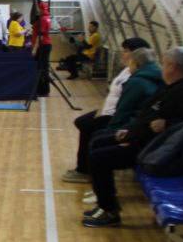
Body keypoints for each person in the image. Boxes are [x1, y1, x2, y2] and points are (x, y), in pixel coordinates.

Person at [83, 47, 183, 227]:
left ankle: (109, 211)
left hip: (155, 150)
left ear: (172, 67)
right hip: (145, 140)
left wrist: (167, 124)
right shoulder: (171, 88)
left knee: (99, 157)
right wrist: (130, 132)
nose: (161, 68)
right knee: (99, 142)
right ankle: (105, 204)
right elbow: (147, 116)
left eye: (164, 64)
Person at [63, 37, 151, 183]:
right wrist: (101, 109)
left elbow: (127, 105)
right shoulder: (126, 70)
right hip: (107, 111)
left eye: (126, 51)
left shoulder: (136, 77)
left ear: (136, 54)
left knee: (88, 127)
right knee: (82, 122)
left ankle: (85, 170)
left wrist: (115, 122)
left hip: (115, 116)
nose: (123, 54)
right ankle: (87, 166)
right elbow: (113, 93)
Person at [32, 0, 53, 94]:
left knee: (41, 68)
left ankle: (43, 89)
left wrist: (34, 49)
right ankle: (44, 89)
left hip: (43, 45)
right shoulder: (47, 17)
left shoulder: (43, 19)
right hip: (46, 44)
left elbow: (40, 35)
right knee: (44, 67)